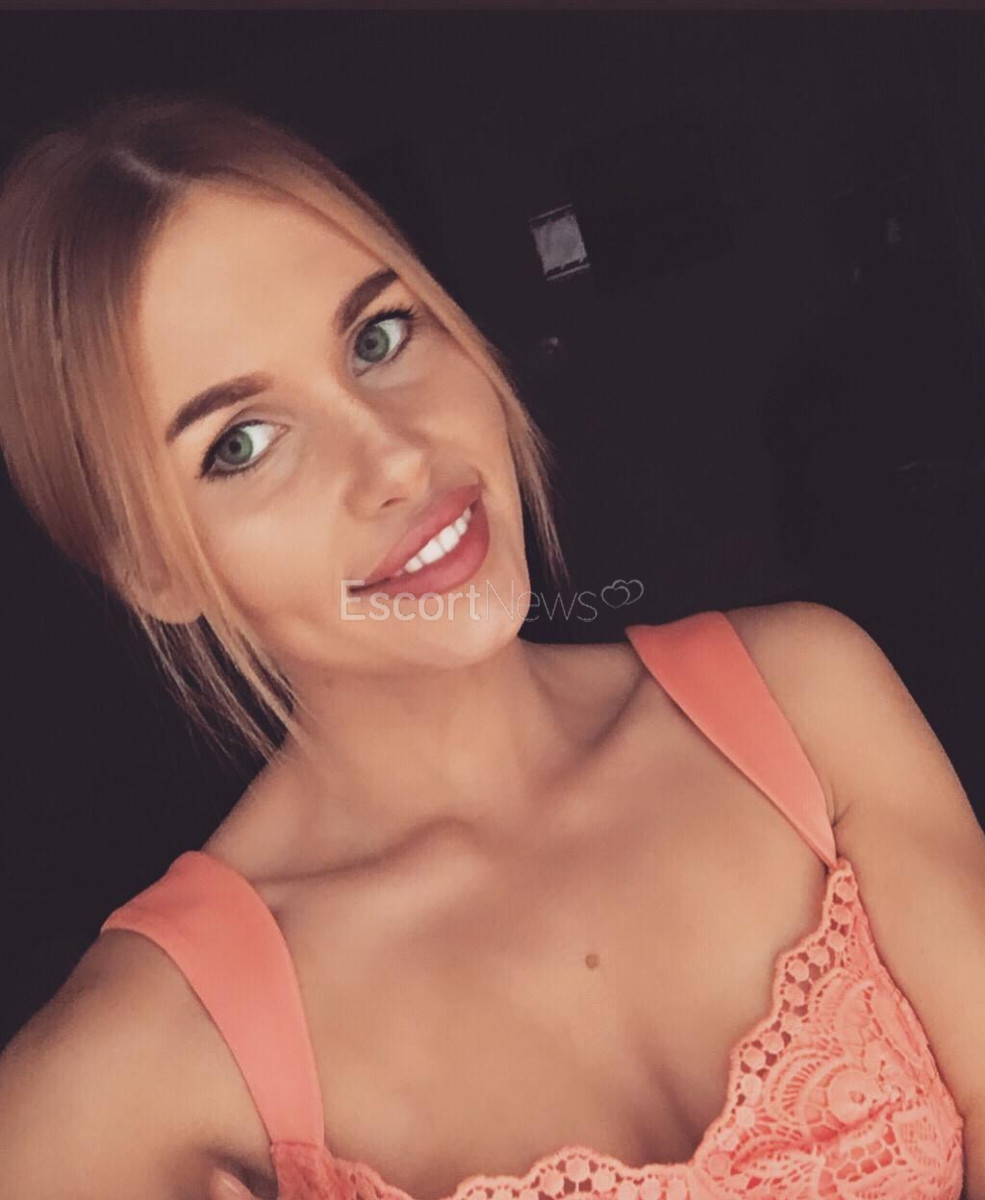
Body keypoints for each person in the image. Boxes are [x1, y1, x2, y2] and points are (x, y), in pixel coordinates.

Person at [0, 93, 982, 1200]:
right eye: (244, 442)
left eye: (377, 337)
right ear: (153, 570)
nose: (396, 459)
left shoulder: (806, 698)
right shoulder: (134, 1067)